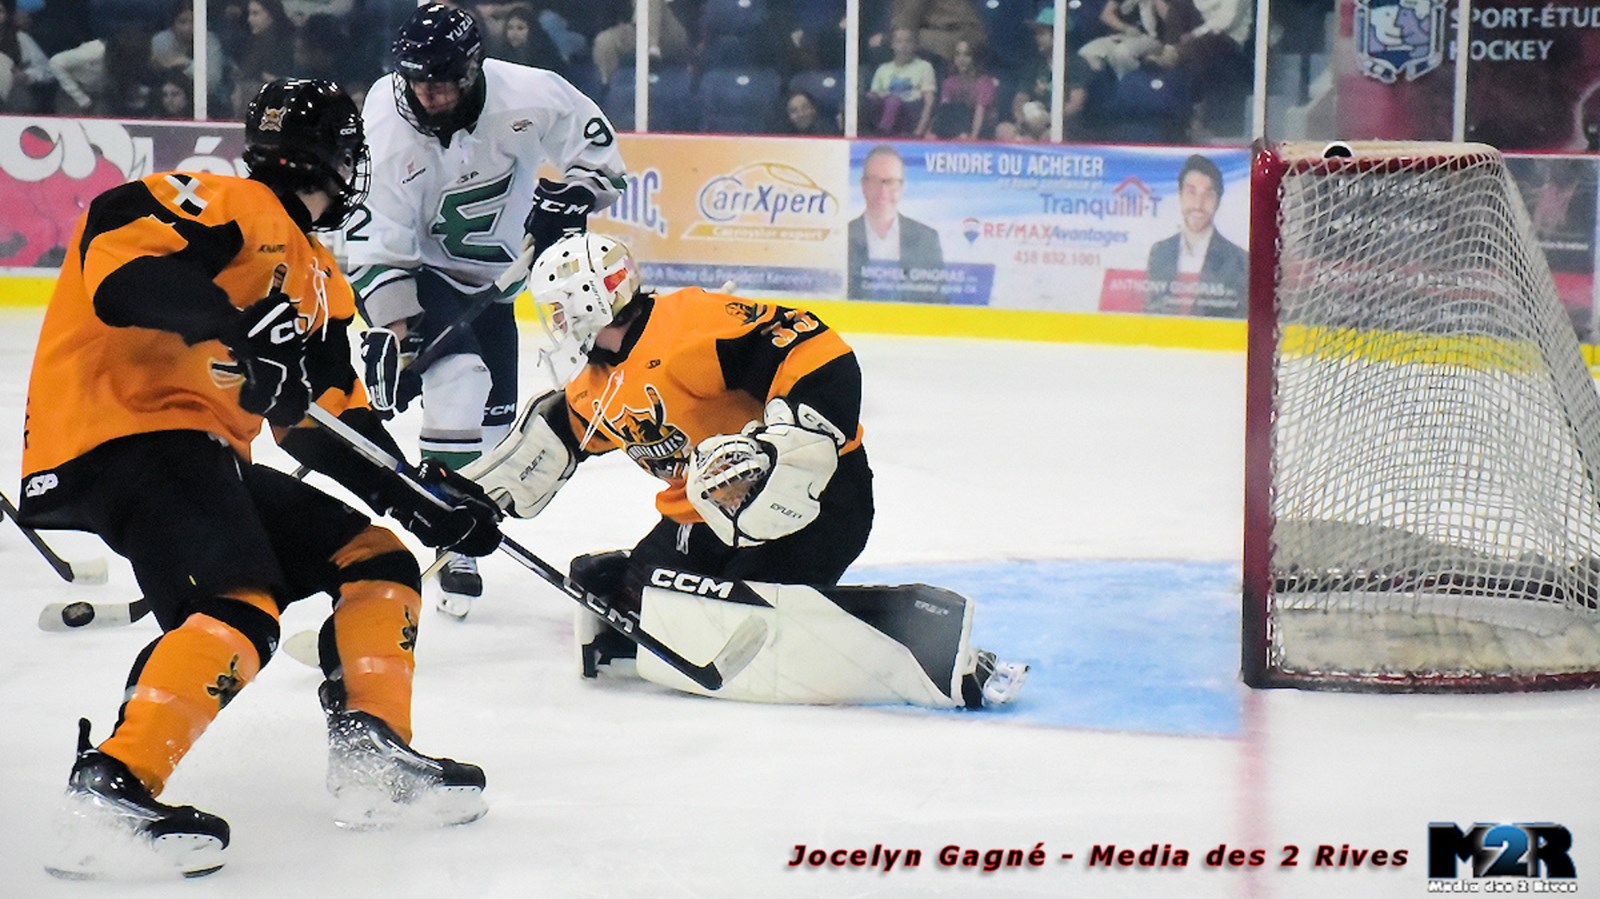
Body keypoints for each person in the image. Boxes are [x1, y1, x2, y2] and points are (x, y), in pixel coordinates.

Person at [20, 78, 501, 880]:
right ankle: (114, 784)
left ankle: (372, 754)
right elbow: (114, 256)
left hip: (200, 453)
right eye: (351, 157)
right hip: (128, 434)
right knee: (240, 603)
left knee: (376, 559)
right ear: (334, 158)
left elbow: (326, 417)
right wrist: (238, 325)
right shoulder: (231, 202)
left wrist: (424, 499)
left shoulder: (318, 272)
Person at [462, 232, 1028, 708]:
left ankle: (930, 637)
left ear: (591, 302)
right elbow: (555, 440)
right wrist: (470, 499)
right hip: (707, 514)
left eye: (558, 309)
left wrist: (794, 444)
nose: (554, 324)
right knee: (640, 591)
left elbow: (817, 351)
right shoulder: (596, 385)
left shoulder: (690, 328)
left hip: (817, 499)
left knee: (756, 600)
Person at [349, 2, 625, 618]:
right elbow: (375, 240)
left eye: (445, 78)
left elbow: (601, 160)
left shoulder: (531, 94)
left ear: (475, 67)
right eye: (419, 78)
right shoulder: (386, 121)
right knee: (459, 380)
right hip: (419, 272)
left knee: (493, 435)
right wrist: (397, 335)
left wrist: (573, 194)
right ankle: (448, 538)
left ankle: (459, 508)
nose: (430, 92)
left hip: (498, 283)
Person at [1144, 153, 1247, 317]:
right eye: (1191, 192)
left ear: (1218, 201)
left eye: (1208, 194)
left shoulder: (1239, 260)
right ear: (1180, 196)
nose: (1199, 205)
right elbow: (1152, 311)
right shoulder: (1160, 252)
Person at [846, 144, 945, 301]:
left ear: (902, 186)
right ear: (863, 185)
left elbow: (938, 301)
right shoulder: (842, 237)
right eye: (875, 181)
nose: (883, 191)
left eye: (890, 182)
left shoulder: (927, 239)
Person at [862, 25, 935, 136]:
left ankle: (884, 135)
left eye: (908, 41)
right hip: (884, 113)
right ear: (892, 45)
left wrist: (919, 132)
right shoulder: (883, 69)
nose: (903, 46)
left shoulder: (925, 67)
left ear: (915, 45)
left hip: (909, 115)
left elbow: (929, 103)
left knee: (893, 101)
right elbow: (873, 97)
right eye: (899, 41)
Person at [924, 37, 996, 139]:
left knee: (962, 108)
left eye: (967, 55)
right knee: (953, 108)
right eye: (958, 54)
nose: (961, 59)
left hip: (981, 129)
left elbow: (980, 113)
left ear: (975, 57)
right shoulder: (949, 82)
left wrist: (973, 138)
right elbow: (944, 111)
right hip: (956, 126)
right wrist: (930, 132)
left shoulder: (984, 82)